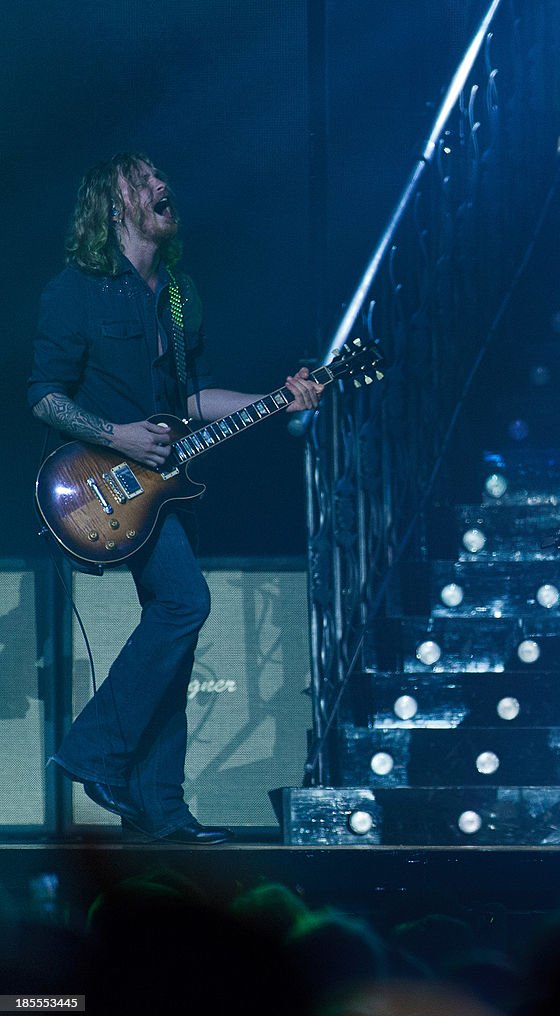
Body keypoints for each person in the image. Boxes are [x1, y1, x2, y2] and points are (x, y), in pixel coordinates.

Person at [27, 152, 323, 843]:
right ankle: (92, 750)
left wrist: (278, 400)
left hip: (166, 487)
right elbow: (43, 394)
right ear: (114, 204)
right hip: (100, 485)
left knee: (176, 633)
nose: (164, 187)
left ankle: (161, 809)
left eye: (163, 178)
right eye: (145, 180)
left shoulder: (180, 292)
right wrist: (119, 436)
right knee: (187, 603)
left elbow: (191, 399)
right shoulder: (75, 290)